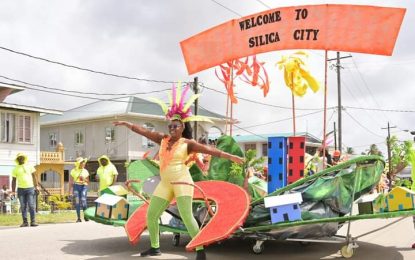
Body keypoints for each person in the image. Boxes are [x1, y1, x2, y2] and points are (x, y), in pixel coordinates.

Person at [113, 83, 243, 260]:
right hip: (166, 183)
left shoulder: (187, 144)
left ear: (182, 128)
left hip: (183, 182)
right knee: (151, 214)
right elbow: (144, 131)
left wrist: (231, 157)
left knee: (187, 216)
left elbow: (210, 151)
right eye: (170, 126)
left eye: (176, 126)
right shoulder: (163, 139)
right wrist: (127, 123)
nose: (172, 129)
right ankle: (155, 247)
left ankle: (200, 250)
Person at [10, 153, 39, 227]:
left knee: (31, 205)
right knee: (23, 206)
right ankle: (25, 222)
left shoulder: (29, 166)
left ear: (24, 158)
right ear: (17, 159)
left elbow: (34, 176)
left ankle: (33, 221)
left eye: (22, 157)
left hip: (30, 188)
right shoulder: (15, 168)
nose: (21, 159)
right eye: (19, 158)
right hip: (20, 189)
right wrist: (13, 191)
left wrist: (36, 186)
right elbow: (13, 180)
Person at [69, 157, 89, 223]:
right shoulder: (73, 171)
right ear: (78, 163)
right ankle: (78, 218)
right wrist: (70, 191)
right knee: (77, 202)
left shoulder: (85, 171)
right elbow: (71, 182)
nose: (83, 163)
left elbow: (88, 181)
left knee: (83, 201)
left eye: (83, 162)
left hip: (84, 187)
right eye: (81, 162)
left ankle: (86, 216)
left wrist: (84, 179)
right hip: (76, 187)